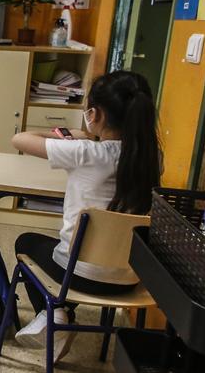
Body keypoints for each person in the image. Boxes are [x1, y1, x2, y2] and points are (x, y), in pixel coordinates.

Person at [9, 71, 161, 362]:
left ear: (96, 114)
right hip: (131, 280)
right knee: (71, 249)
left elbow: (19, 139)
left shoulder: (85, 152)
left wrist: (73, 135)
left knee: (26, 242)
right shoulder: (151, 159)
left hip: (78, 276)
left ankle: (55, 314)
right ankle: (59, 315)